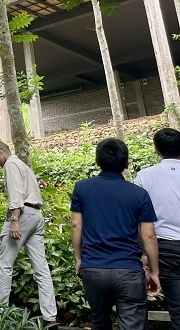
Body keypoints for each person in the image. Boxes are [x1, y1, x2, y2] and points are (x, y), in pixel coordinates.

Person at [71, 137, 161, 330]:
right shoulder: (139, 194)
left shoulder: (82, 188)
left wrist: (79, 259)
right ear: (127, 163)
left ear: (97, 161)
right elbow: (148, 236)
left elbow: (76, 225)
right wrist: (153, 271)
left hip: (93, 269)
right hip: (128, 270)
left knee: (100, 320)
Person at [0, 141, 58, 326]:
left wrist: (14, 220)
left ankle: (1, 314)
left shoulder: (10, 164)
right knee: (41, 269)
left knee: (4, 264)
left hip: (22, 216)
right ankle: (50, 318)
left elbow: (16, 195)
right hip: (36, 216)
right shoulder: (22, 165)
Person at [135, 127, 180, 330]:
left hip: (165, 248)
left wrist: (146, 255)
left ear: (157, 150)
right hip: (164, 246)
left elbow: (140, 221)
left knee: (178, 308)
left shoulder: (145, 176)